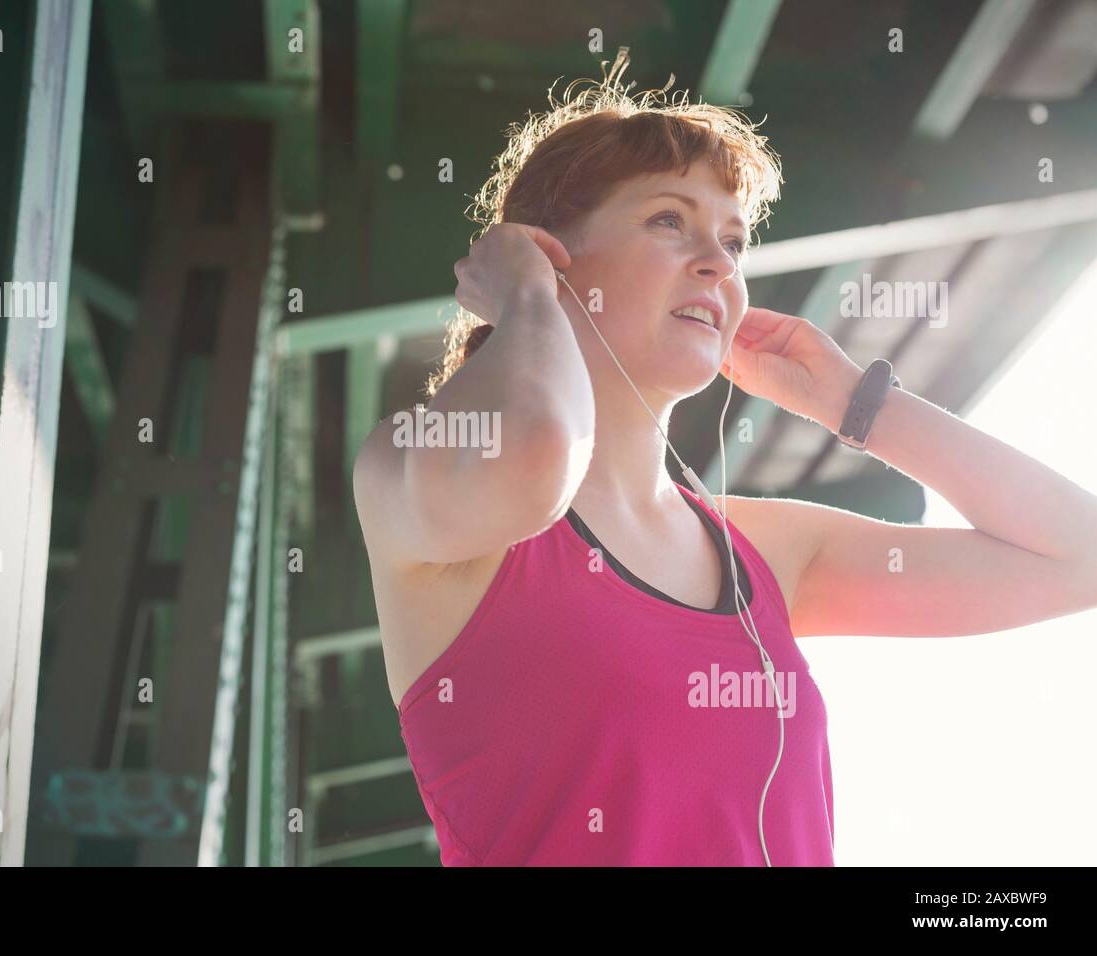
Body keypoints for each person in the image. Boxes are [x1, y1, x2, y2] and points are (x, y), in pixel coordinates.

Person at [352, 58, 1097, 867]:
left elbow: (1078, 558)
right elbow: (535, 460)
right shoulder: (415, 472)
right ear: (550, 254)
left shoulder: (763, 555)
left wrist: (859, 404)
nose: (718, 261)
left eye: (734, 241)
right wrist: (523, 298)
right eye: (669, 221)